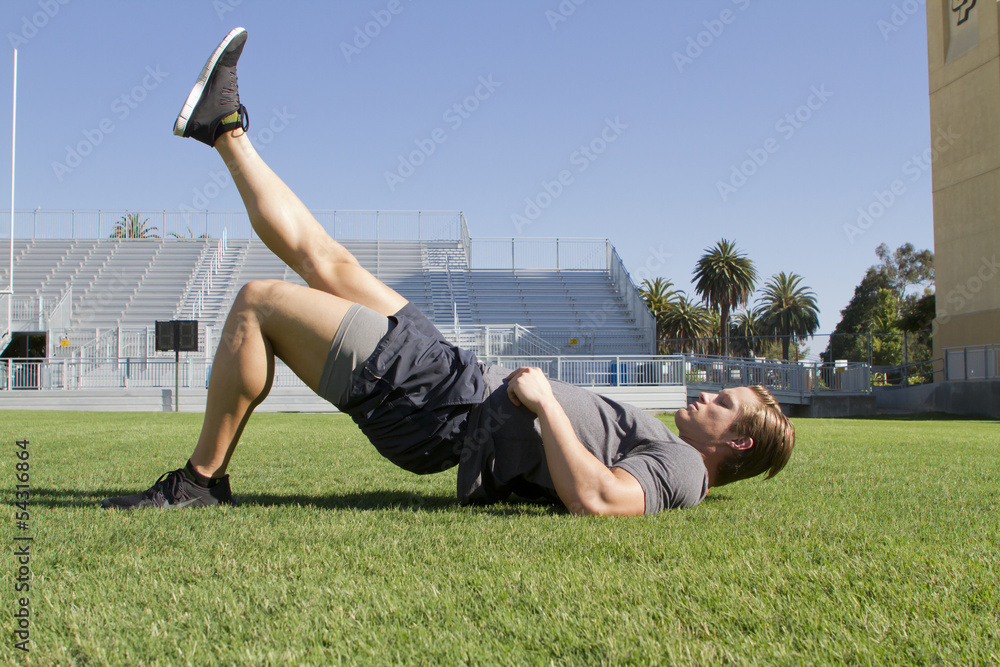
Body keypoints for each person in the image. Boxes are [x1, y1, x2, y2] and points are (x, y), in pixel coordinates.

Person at [101, 28, 795, 516]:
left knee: (258, 302)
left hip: (447, 407)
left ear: (735, 441)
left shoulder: (680, 470)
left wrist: (546, 401)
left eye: (723, 403)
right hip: (458, 377)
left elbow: (601, 499)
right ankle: (223, 126)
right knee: (324, 257)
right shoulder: (674, 447)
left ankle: (200, 480)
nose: (707, 396)